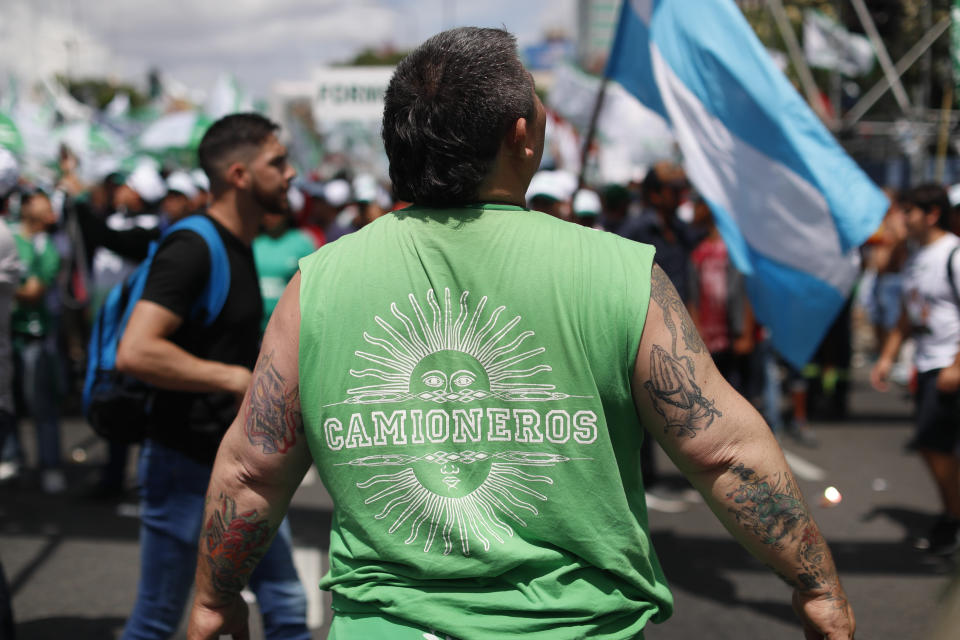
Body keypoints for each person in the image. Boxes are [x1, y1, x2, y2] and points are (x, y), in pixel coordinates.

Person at [187, 28, 854, 640]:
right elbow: (722, 451)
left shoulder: (319, 284)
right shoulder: (618, 273)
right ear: (522, 136)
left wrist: (215, 602)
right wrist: (815, 585)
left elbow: (251, 469)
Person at [116, 113, 310, 640]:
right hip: (185, 462)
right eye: (278, 162)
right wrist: (234, 378)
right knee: (157, 619)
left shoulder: (237, 243)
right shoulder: (194, 246)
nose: (291, 174)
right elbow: (135, 350)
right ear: (240, 175)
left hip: (241, 464)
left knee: (287, 603)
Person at [872, 183, 960, 555]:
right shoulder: (914, 257)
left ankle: (953, 520)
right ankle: (950, 516)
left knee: (932, 443)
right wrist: (887, 356)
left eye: (909, 212)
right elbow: (909, 316)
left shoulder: (953, 254)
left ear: (932, 214)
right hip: (926, 363)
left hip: (948, 365)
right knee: (934, 445)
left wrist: (957, 366)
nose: (902, 218)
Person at [11, 191, 64, 494]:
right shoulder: (10, 235)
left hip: (35, 335)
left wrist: (8, 288)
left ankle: (51, 465)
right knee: (10, 404)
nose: (45, 209)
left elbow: (33, 291)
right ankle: (14, 460)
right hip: (10, 334)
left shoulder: (47, 247)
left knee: (41, 403)